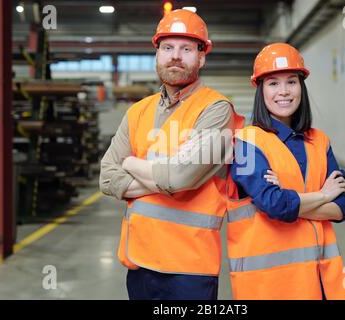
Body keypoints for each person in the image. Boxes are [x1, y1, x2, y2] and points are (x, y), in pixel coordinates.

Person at [99, 9, 243, 300]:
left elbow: (180, 177)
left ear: (201, 57)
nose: (175, 56)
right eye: (168, 48)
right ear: (157, 54)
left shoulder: (216, 110)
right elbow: (106, 177)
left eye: (186, 48)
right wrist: (167, 178)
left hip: (189, 268)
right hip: (139, 263)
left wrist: (129, 163)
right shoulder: (138, 111)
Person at [227, 43, 345, 300]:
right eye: (273, 83)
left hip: (321, 283)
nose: (283, 92)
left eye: (291, 82)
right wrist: (322, 195)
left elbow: (340, 208)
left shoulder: (320, 141)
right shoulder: (247, 143)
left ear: (301, 87)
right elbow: (274, 204)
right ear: (260, 90)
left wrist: (292, 199)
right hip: (269, 287)